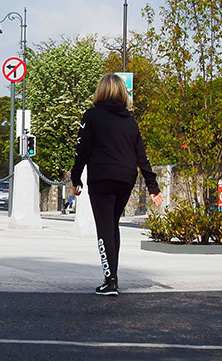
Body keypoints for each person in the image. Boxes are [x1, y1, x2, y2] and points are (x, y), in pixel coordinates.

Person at [70, 73, 162, 296]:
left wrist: (76, 177)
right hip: (125, 177)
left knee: (104, 228)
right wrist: (153, 187)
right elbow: (142, 155)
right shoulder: (130, 121)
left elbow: (82, 150)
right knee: (112, 225)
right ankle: (112, 276)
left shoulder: (92, 116)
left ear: (101, 90)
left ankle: (110, 281)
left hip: (101, 175)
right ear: (122, 92)